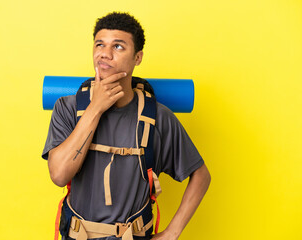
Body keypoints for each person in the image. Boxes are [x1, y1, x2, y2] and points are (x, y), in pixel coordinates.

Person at [42, 12, 211, 240]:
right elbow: (59, 175)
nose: (105, 54)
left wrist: (172, 233)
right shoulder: (68, 108)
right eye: (99, 44)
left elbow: (201, 175)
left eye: (118, 47)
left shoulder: (158, 118)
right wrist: (95, 108)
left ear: (137, 58)